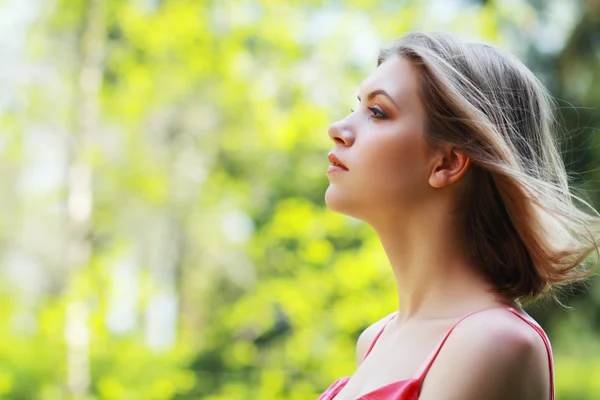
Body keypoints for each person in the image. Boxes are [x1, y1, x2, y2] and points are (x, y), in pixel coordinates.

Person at [319, 31, 600, 400]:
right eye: (357, 106)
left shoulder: (492, 343)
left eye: (377, 112)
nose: (337, 129)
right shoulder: (374, 340)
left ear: (448, 162)